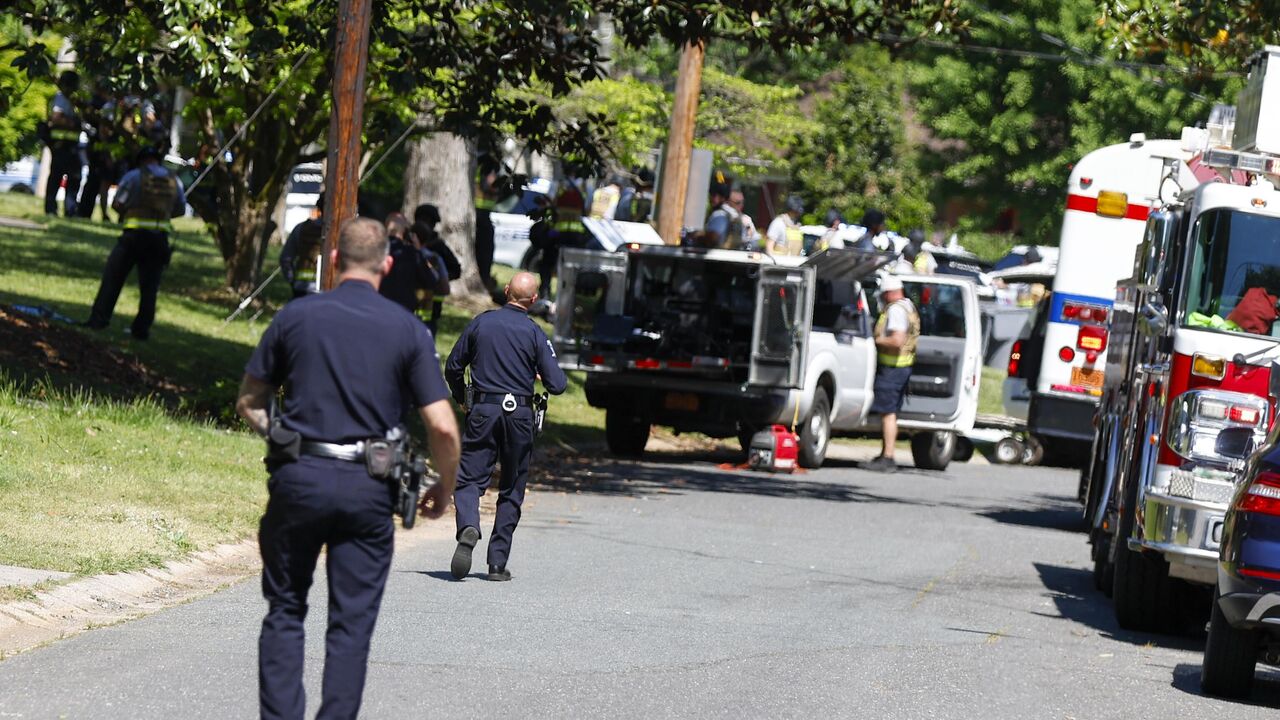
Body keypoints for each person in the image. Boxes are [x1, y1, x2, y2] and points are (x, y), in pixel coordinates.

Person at [235, 217, 461, 720]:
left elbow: (251, 401)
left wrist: (284, 439)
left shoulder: (295, 316)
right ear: (386, 263)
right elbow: (443, 428)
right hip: (368, 489)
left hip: (299, 482)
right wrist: (445, 488)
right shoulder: (408, 329)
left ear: (333, 260)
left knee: (285, 609)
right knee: (351, 625)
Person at [445, 271, 568, 581]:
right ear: (534, 300)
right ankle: (497, 563)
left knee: (470, 478)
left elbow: (453, 367)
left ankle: (469, 525)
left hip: (483, 409)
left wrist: (463, 398)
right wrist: (536, 370)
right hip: (520, 416)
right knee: (512, 485)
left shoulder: (481, 323)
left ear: (505, 291)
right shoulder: (535, 333)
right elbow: (558, 384)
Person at [84, 146, 186, 340]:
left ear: (141, 160)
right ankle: (141, 330)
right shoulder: (175, 181)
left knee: (113, 278)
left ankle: (99, 320)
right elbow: (180, 209)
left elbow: (117, 203)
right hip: (159, 240)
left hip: (133, 237)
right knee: (149, 288)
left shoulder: (133, 176)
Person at [866, 275, 920, 473]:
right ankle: (885, 454)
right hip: (901, 367)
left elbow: (897, 341)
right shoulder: (908, 306)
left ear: (889, 292)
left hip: (893, 368)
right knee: (890, 413)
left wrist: (875, 340)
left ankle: (888, 457)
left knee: (888, 413)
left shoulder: (896, 310)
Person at [412, 204, 461, 334]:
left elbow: (456, 270)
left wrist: (438, 279)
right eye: (424, 220)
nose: (428, 224)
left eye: (430, 222)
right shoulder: (407, 244)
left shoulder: (438, 248)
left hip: (430, 304)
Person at [43, 71, 83, 217]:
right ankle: (51, 209)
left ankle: (70, 210)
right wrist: (73, 123)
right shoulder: (61, 98)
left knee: (74, 177)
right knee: (56, 177)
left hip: (71, 145)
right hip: (61, 144)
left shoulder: (73, 100)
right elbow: (56, 118)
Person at [280, 194, 324, 300]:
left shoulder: (301, 228)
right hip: (330, 291)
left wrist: (292, 280)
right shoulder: (342, 232)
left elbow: (285, 259)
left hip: (301, 289)